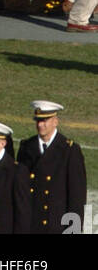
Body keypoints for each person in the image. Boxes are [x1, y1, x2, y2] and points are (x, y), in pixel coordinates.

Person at [16, 100, 87, 234]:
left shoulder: (69, 151)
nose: (40, 124)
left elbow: (76, 198)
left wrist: (74, 230)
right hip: (31, 225)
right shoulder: (26, 147)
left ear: (55, 121)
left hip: (57, 226)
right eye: (38, 120)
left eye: (44, 120)